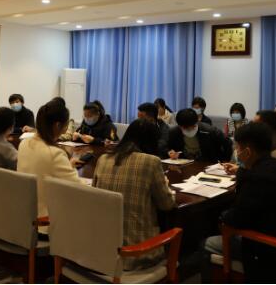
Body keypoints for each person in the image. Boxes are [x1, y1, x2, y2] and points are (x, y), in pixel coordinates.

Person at [203, 122, 276, 283]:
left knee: (206, 242)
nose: (236, 151)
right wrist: (241, 171)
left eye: (237, 147)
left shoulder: (255, 179)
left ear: (247, 152)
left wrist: (222, 216)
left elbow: (236, 220)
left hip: (273, 253)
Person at [93, 119, 175, 270]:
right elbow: (167, 204)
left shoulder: (103, 159)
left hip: (102, 249)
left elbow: (94, 195)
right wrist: (165, 184)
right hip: (137, 253)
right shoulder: (151, 162)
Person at [17, 100, 83, 232]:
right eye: (66, 125)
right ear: (58, 125)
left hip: (24, 219)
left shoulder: (24, 144)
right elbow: (79, 190)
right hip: (45, 224)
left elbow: (44, 168)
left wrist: (67, 165)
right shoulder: (54, 153)